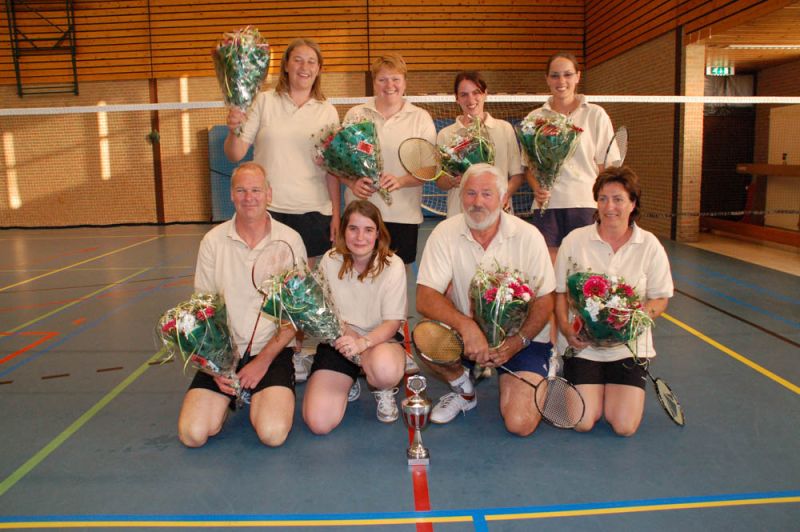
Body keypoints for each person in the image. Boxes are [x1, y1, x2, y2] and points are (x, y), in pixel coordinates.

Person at [416, 163, 556, 436]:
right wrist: (467, 327)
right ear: (461, 197)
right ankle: (464, 390)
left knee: (520, 424)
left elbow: (545, 300)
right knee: (426, 337)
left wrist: (517, 342)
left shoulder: (528, 236)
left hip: (521, 339)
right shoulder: (444, 233)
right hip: (471, 339)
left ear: (504, 199)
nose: (477, 202)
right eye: (470, 193)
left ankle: (544, 366)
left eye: (487, 194)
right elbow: (424, 297)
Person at [178, 162, 308, 448]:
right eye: (241, 190)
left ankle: (258, 392)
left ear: (269, 194)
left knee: (272, 434)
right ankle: (228, 397)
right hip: (224, 354)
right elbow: (203, 315)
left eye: (256, 190)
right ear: (232, 196)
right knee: (193, 434)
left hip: (271, 351)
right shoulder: (212, 242)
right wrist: (217, 368)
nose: (249, 197)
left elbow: (295, 316)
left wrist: (262, 362)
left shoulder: (290, 240)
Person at [554, 166, 673, 436]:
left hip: (628, 350)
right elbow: (559, 292)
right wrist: (564, 328)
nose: (610, 207)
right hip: (584, 347)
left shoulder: (650, 245)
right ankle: (575, 378)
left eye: (618, 199)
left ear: (632, 204)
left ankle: (606, 389)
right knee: (582, 421)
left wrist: (631, 321)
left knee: (623, 426)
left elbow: (660, 298)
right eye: (603, 199)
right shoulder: (575, 240)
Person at [224, 38, 341, 261]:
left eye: (311, 62)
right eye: (297, 60)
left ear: (319, 69)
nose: (304, 67)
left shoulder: (328, 111)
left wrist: (336, 213)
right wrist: (233, 131)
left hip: (313, 211)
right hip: (268, 208)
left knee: (303, 284)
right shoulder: (263, 101)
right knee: (266, 278)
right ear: (286, 65)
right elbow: (235, 154)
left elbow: (332, 171)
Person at [302, 200, 408, 433]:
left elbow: (392, 323)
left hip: (378, 342)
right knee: (318, 423)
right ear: (343, 231)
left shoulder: (393, 265)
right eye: (353, 229)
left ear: (378, 234)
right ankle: (348, 379)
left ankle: (383, 389)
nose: (360, 237)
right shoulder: (330, 260)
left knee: (385, 370)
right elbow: (321, 313)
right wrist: (345, 337)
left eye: (368, 230)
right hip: (339, 342)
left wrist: (361, 343)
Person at [342, 52, 436, 265]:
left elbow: (429, 170)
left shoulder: (421, 118)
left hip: (402, 217)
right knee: (356, 279)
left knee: (396, 284)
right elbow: (340, 164)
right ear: (374, 83)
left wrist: (402, 181)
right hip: (360, 215)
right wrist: (351, 183)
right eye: (382, 79)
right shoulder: (356, 114)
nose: (389, 85)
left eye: (395, 79)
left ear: (405, 83)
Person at [524, 52, 620, 261]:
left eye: (567, 74)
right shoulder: (535, 118)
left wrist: (607, 203)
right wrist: (537, 188)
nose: (561, 81)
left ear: (578, 76)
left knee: (585, 267)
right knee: (550, 270)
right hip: (548, 206)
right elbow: (529, 168)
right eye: (555, 75)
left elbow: (607, 168)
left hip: (585, 203)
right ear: (547, 79)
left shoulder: (596, 114)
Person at [436, 71, 524, 217]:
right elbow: (440, 182)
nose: (471, 99)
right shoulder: (445, 134)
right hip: (459, 215)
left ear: (485, 94)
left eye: (476, 92)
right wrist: (451, 180)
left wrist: (503, 195)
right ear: (456, 98)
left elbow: (517, 175)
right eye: (464, 94)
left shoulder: (505, 129)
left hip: (498, 213)